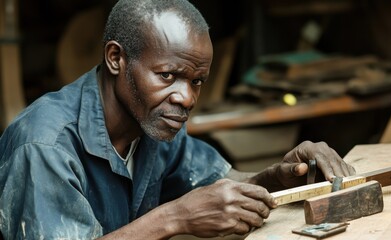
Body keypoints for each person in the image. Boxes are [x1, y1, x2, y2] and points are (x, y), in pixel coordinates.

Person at [0, 0, 355, 239]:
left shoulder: (149, 122)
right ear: (115, 58)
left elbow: (222, 187)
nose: (186, 98)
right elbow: (186, 211)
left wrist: (280, 177)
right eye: (167, 75)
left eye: (196, 81)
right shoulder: (44, 145)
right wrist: (175, 217)